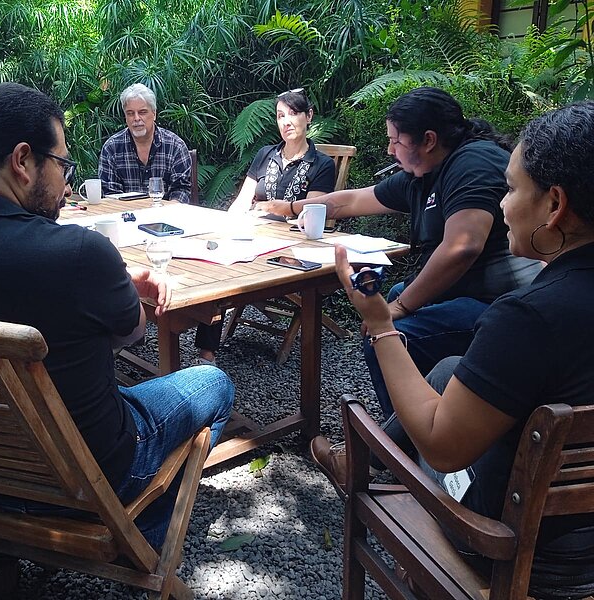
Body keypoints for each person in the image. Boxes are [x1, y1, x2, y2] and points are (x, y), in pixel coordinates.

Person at [0, 83, 234, 550]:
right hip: (90, 475)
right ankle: (141, 538)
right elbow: (132, 333)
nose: (65, 181)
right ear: (23, 161)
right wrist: (123, 287)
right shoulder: (78, 252)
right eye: (62, 163)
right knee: (213, 383)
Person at [313, 101, 594, 598]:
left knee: (411, 428)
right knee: (447, 368)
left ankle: (376, 473)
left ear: (555, 206)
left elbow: (442, 449)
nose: (501, 205)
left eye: (511, 190)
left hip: (517, 548)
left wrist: (379, 323)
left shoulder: (527, 317)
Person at [258, 87, 541, 417]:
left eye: (396, 141)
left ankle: (406, 436)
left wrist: (399, 308)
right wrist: (290, 207)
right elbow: (352, 200)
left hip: (504, 305)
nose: (390, 150)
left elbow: (463, 246)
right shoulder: (424, 173)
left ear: (429, 140)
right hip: (468, 292)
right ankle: (425, 413)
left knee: (388, 335)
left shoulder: (472, 164)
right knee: (395, 293)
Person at [192, 89, 337, 364]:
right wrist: (227, 227)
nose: (286, 121)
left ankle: (207, 351)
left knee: (227, 270)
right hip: (252, 238)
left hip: (289, 249)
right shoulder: (265, 154)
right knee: (217, 263)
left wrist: (272, 209)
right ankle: (206, 354)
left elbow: (311, 215)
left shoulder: (321, 164)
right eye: (280, 116)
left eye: (293, 114)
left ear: (309, 116)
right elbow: (242, 201)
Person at [98, 83, 192, 203]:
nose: (136, 118)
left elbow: (181, 190)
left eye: (142, 112)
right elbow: (109, 193)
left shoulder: (175, 146)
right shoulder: (111, 148)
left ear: (154, 114)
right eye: (130, 113)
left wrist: (169, 209)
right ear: (125, 116)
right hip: (124, 212)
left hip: (165, 212)